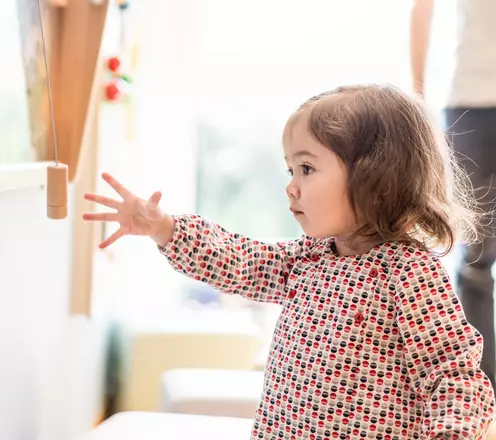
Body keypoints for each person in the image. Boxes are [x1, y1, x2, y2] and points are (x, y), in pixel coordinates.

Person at [82, 84, 496, 438]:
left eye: (306, 168)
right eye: (289, 170)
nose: (291, 188)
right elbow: (237, 260)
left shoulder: (408, 272)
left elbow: (451, 373)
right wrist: (166, 228)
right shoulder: (308, 258)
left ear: (378, 180)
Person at [411, 0, 496, 385]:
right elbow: (422, 9)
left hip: (469, 107)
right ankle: (482, 384)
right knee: (476, 257)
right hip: (469, 102)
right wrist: (418, 98)